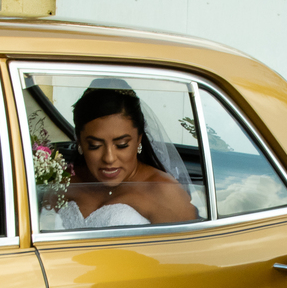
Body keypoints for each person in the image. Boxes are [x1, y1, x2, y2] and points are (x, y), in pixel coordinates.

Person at [55, 88, 197, 228]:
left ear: (138, 140)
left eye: (122, 145)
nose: (109, 158)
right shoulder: (66, 180)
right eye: (95, 145)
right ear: (80, 142)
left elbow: (190, 248)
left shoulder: (163, 191)